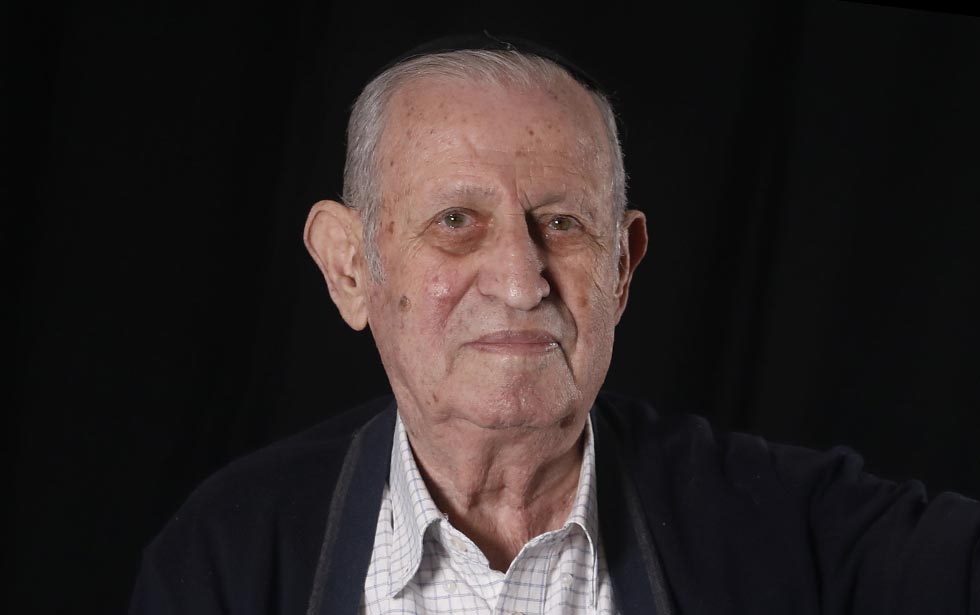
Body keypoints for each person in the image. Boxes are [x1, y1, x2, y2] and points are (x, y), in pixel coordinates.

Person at [130, 35, 979, 615]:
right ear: (351, 268)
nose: (518, 279)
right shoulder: (229, 554)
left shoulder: (789, 527)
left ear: (621, 268)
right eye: (456, 221)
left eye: (563, 223)